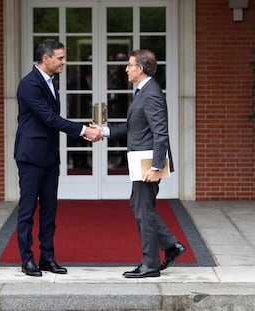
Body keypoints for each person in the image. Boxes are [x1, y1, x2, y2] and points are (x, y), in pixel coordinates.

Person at [93, 49, 186, 278]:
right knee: (138, 206)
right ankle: (171, 246)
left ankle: (150, 265)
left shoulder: (151, 94)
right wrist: (103, 131)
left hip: (147, 165)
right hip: (141, 163)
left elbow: (160, 133)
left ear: (140, 69)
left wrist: (155, 168)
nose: (126, 68)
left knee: (143, 210)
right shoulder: (143, 92)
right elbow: (133, 128)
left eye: (129, 65)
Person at [14, 39, 102, 277]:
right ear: (46, 58)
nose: (64, 62)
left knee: (49, 210)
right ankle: (27, 260)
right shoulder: (29, 85)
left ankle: (47, 258)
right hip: (31, 156)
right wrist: (85, 130)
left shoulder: (52, 82)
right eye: (60, 58)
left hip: (50, 157)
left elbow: (52, 120)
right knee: (27, 210)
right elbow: (49, 119)